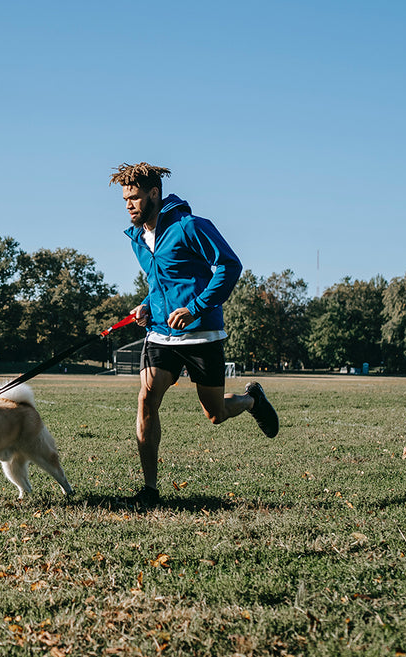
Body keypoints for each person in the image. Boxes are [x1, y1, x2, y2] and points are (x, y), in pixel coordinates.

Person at [111, 162, 279, 508]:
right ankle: (150, 490)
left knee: (214, 414)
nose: (129, 205)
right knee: (146, 398)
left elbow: (230, 266)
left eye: (135, 198)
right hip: (160, 335)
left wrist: (196, 307)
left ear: (154, 194)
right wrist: (145, 306)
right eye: (125, 199)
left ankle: (251, 400)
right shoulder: (138, 238)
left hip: (202, 333)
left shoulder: (190, 227)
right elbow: (160, 284)